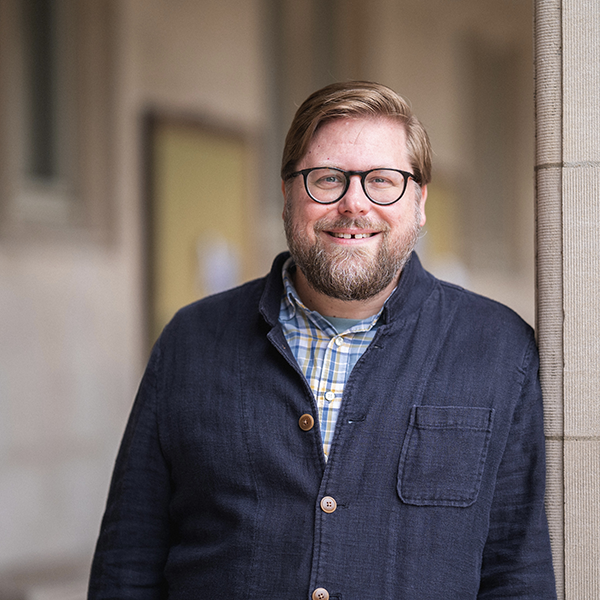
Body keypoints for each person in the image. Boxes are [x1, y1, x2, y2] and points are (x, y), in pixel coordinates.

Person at [88, 81, 556, 600]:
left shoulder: (499, 351)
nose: (354, 203)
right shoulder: (190, 342)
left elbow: (519, 575)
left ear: (420, 201)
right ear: (287, 194)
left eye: (383, 180)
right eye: (327, 179)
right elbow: (127, 565)